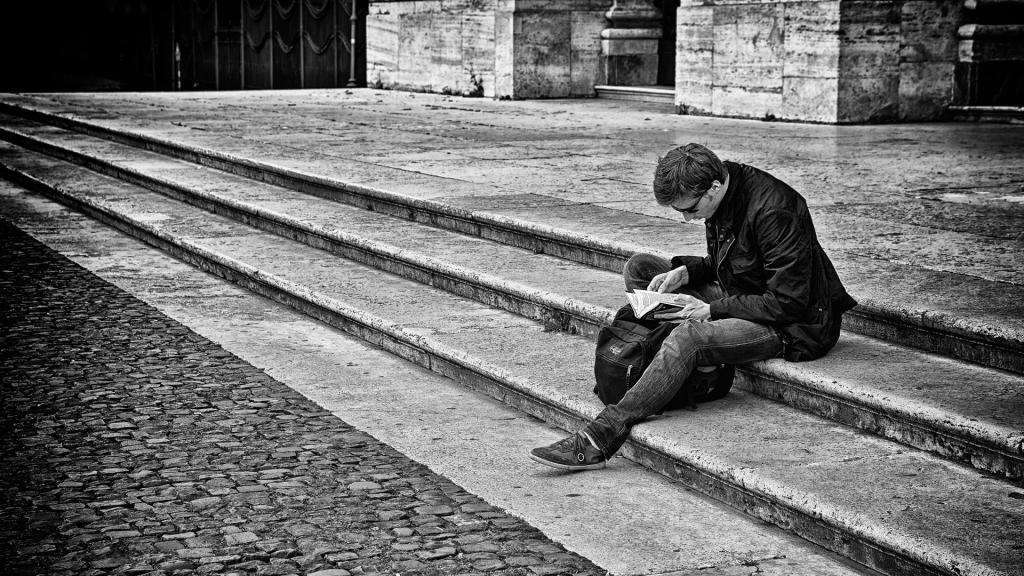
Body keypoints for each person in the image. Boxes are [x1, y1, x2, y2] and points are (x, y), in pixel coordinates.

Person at [530, 143, 857, 471]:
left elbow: (788, 302)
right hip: (741, 295)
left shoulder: (775, 211)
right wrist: (686, 273)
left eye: (690, 209)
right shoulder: (723, 189)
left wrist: (711, 311)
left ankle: (601, 437)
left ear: (713, 188)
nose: (687, 218)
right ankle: (686, 365)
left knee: (688, 338)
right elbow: (729, 262)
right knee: (640, 269)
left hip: (790, 324)